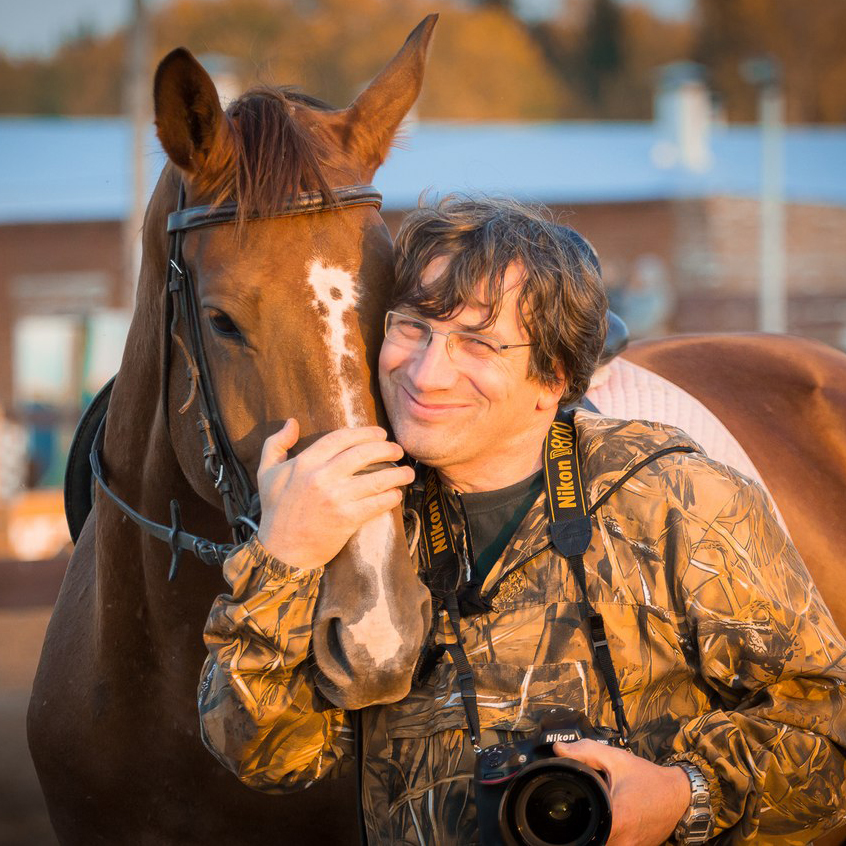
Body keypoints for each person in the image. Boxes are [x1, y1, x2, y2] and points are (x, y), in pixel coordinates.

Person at [198, 197, 846, 845]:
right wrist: (280, 559)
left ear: (553, 378)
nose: (427, 371)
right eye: (412, 327)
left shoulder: (675, 498)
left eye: (478, 342)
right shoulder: (356, 516)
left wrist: (682, 795)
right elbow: (268, 756)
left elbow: (829, 734)